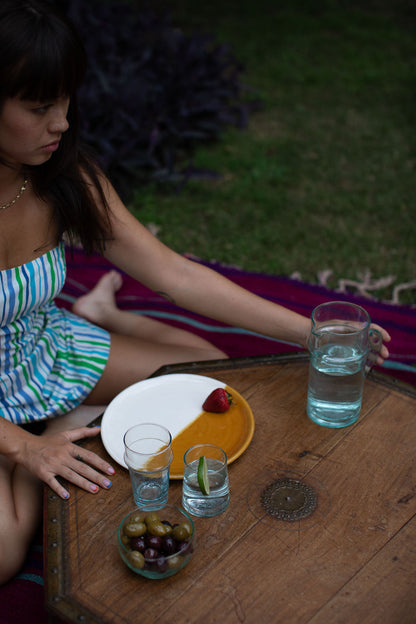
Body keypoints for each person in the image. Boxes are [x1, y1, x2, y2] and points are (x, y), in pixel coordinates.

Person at [0, 0, 391, 584]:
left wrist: (308, 333)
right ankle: (53, 432)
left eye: (65, 101)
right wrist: (25, 451)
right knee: (4, 560)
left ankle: (96, 323)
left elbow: (175, 276)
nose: (61, 122)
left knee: (213, 382)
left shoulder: (62, 179)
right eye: (39, 107)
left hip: (40, 352)